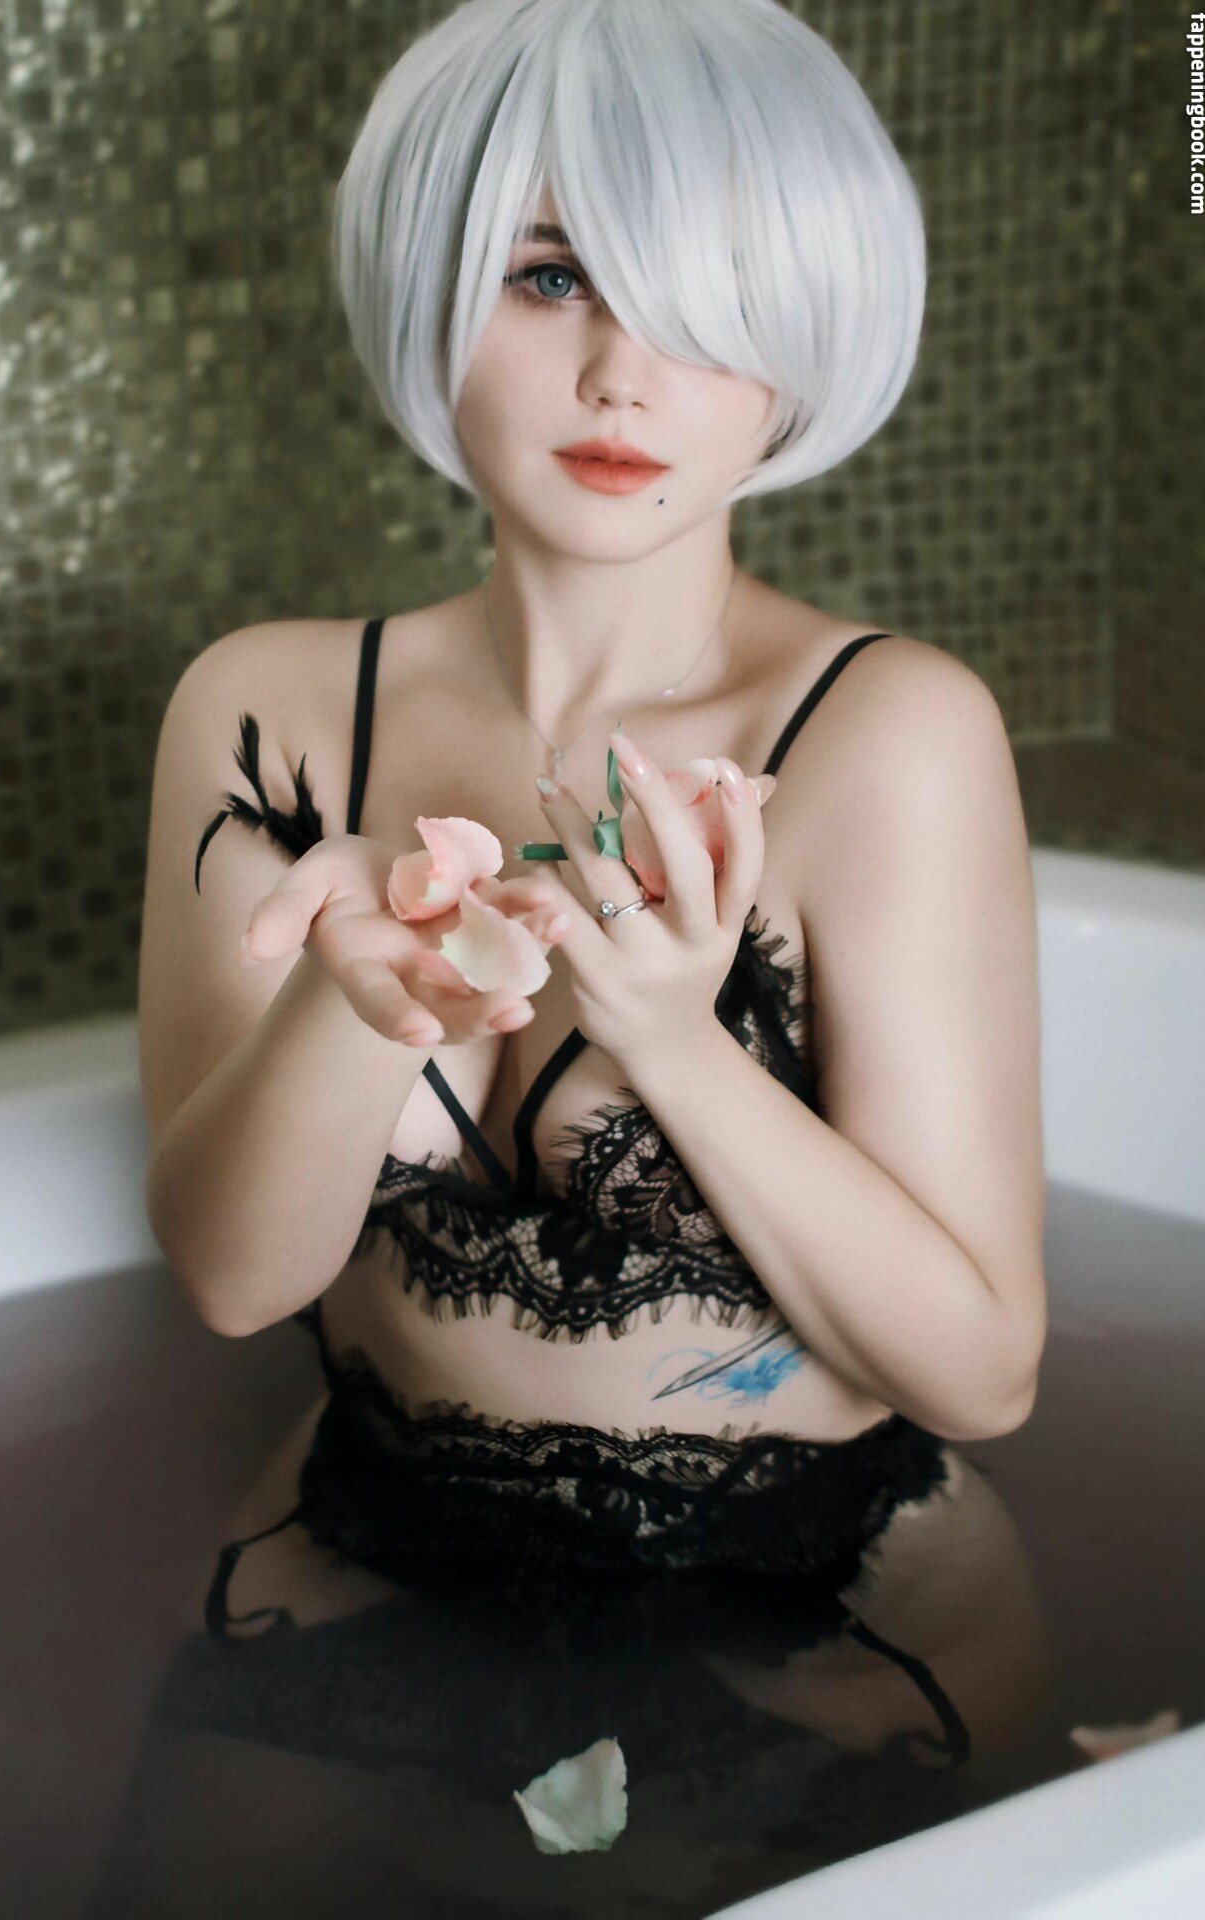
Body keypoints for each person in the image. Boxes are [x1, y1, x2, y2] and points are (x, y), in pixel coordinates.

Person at [117, 0, 1049, 1906]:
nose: (624, 373)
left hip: (826, 1602)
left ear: (800, 335)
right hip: (363, 1552)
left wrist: (678, 1043)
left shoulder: (890, 733)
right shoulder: (269, 712)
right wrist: (355, 1007)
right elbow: (231, 1278)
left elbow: (981, 1374)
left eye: (703, 299)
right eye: (551, 277)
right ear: (434, 282)